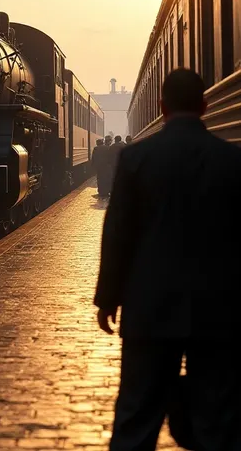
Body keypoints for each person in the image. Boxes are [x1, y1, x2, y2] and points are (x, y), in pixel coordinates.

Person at [94, 68, 241, 451]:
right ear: (206, 105)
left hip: (149, 308)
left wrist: (108, 297)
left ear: (160, 106)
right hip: (219, 310)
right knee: (218, 420)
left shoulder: (136, 158)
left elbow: (118, 235)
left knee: (137, 416)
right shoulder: (231, 160)